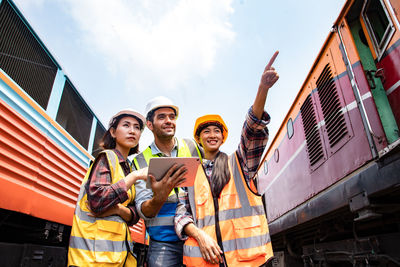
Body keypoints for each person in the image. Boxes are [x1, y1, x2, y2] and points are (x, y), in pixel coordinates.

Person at [175, 51, 280, 266]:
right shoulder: (189, 171)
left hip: (248, 260)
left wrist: (262, 89)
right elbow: (181, 214)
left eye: (216, 131)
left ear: (223, 137)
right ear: (198, 138)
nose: (212, 135)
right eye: (206, 132)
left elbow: (252, 130)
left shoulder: (240, 162)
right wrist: (201, 236)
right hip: (206, 260)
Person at [68, 109, 149, 267]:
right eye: (126, 125)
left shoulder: (127, 169)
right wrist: (134, 177)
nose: (132, 130)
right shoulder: (106, 158)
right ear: (113, 132)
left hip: (115, 257)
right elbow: (98, 201)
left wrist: (118, 209)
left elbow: (134, 216)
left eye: (137, 127)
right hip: (91, 258)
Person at [132, 96, 202, 267]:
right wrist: (160, 196)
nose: (169, 121)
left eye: (172, 116)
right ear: (150, 125)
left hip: (197, 234)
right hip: (163, 244)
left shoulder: (192, 147)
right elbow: (143, 211)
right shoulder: (140, 161)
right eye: (162, 117)